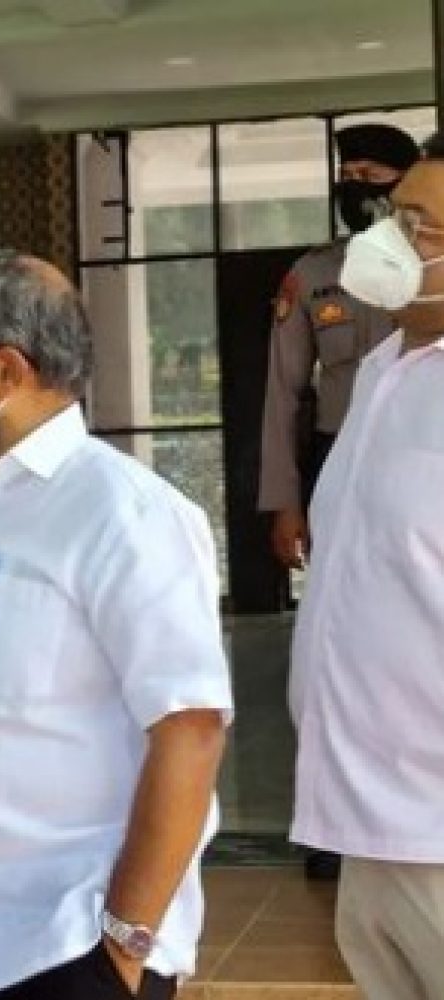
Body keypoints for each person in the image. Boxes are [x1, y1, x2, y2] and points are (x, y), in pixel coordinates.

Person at [0, 250, 231, 999]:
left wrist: (125, 944)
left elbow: (191, 728)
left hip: (70, 948)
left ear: (4, 371)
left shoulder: (123, 512)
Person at [288, 138, 444, 1000]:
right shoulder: (384, 373)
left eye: (423, 226)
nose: (390, 238)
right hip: (370, 828)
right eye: (397, 214)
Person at [257, 121, 418, 883]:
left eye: (372, 173)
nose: (356, 185)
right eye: (347, 172)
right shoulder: (315, 274)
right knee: (334, 640)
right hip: (338, 464)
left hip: (422, 463)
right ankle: (333, 822)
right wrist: (284, 502)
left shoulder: (434, 264)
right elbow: (282, 395)